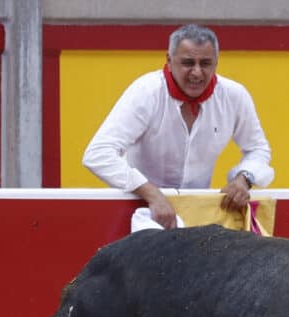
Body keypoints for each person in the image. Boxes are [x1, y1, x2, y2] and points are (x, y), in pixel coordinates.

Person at [83, 24, 274, 230]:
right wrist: (151, 193)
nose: (197, 72)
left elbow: (258, 150)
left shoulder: (234, 96)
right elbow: (97, 154)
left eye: (206, 63)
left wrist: (244, 178)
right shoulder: (146, 91)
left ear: (217, 63)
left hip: (199, 217)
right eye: (188, 63)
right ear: (169, 60)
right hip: (139, 211)